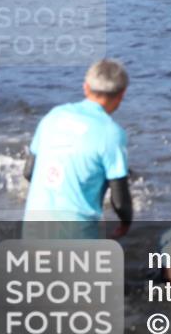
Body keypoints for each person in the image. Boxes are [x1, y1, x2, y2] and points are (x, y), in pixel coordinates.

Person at [23, 59, 132, 239]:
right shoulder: (111, 133)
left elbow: (28, 172)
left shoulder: (53, 116)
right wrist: (125, 223)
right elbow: (120, 201)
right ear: (122, 94)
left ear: (86, 88)